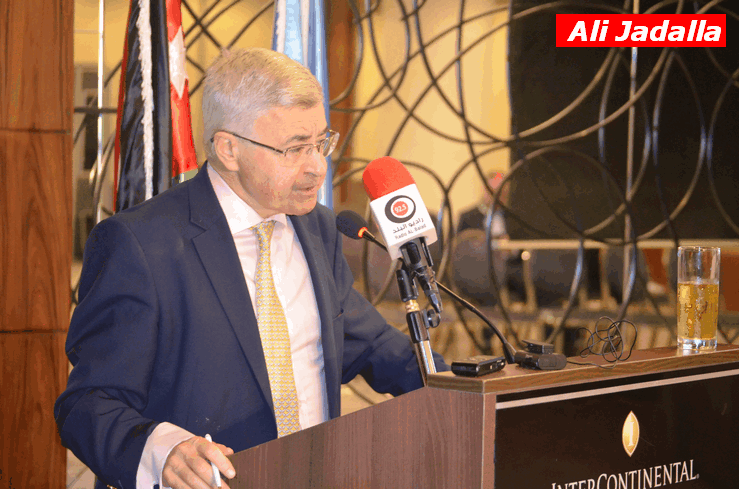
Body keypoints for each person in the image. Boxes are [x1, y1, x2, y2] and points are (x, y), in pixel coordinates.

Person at [55, 47, 447, 489]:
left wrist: (468, 386)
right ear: (229, 149)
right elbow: (88, 404)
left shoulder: (318, 227)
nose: (316, 167)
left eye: (321, 143)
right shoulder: (141, 245)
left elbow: (372, 345)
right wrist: (162, 451)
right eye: (294, 149)